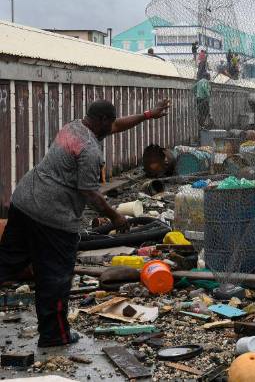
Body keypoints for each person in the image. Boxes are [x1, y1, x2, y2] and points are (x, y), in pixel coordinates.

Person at [0, 98, 170, 347]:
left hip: (24, 201)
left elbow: (116, 125)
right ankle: (55, 336)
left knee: (7, 261)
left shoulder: (74, 127)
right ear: (102, 120)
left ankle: (53, 332)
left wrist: (147, 115)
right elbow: (89, 193)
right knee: (56, 276)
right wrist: (115, 216)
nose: (112, 127)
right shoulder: (89, 150)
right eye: (110, 122)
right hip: (52, 216)